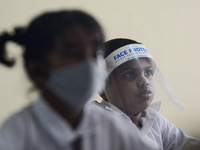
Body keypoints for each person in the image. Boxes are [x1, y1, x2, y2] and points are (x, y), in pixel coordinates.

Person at [0, 11, 156, 150]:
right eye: (74, 54)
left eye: (96, 54)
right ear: (38, 72)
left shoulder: (110, 127)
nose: (89, 65)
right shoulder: (17, 133)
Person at [91, 38, 200, 150]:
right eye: (129, 74)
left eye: (148, 72)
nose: (144, 81)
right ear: (102, 90)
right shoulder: (93, 122)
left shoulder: (154, 120)